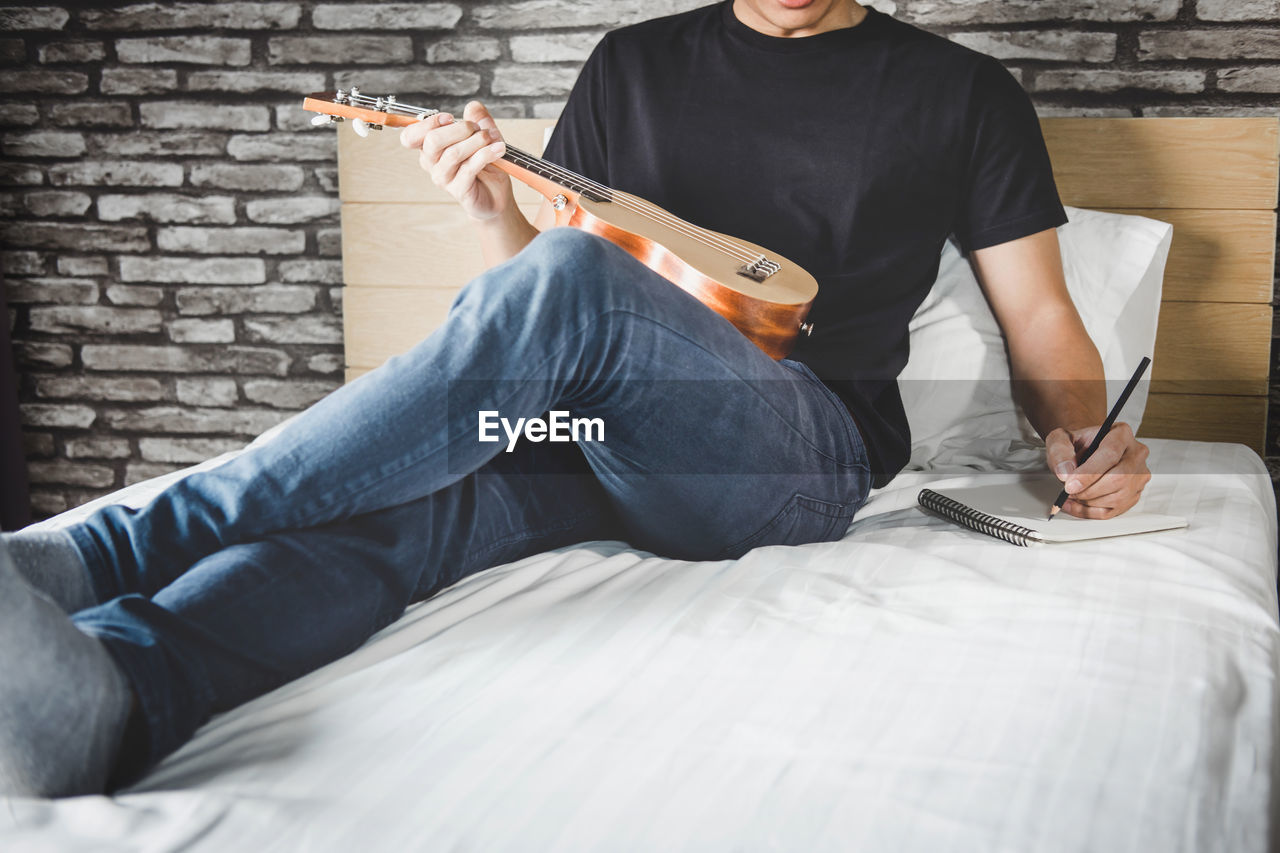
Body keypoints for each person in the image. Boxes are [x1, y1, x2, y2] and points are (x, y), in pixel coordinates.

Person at [0, 0, 1152, 798]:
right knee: (406, 505)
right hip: (604, 434)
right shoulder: (630, 65)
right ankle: (117, 692)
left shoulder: (958, 91)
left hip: (796, 446)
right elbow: (541, 308)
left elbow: (1039, 315)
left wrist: (1080, 432)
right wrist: (490, 206)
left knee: (573, 280)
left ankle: (105, 545)